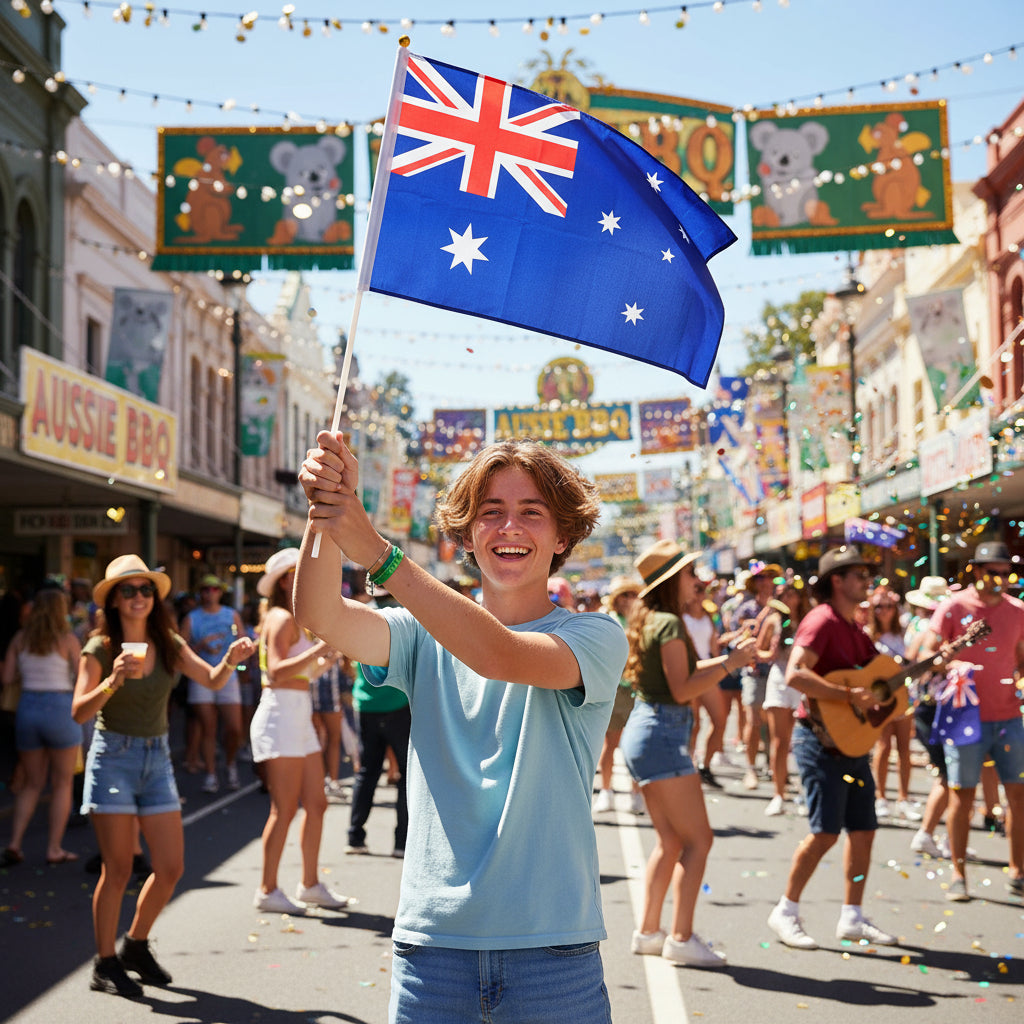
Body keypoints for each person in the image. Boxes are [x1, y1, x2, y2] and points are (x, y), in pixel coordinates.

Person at [295, 433, 628, 1024]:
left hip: (552, 952)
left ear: (563, 536)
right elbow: (320, 616)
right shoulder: (420, 631)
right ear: (466, 534)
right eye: (491, 512)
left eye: (532, 513)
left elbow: (498, 654)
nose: (509, 528)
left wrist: (378, 553)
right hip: (433, 949)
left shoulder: (596, 636)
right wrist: (325, 511)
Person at [72, 555, 255, 999]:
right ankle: (105, 962)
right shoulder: (99, 649)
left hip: (157, 759)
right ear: (114, 600)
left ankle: (135, 944)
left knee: (170, 867)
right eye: (129, 590)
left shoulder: (168, 642)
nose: (139, 597)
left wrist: (231, 659)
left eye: (146, 590)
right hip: (113, 756)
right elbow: (78, 710)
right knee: (117, 869)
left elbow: (212, 681)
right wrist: (113, 680)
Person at [620, 540, 755, 968]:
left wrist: (728, 658)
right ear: (671, 581)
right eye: (688, 573)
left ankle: (648, 932)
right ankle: (679, 937)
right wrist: (732, 663)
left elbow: (682, 675)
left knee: (671, 840)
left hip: (648, 732)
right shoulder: (670, 623)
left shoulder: (655, 619)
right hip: (662, 734)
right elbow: (683, 689)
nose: (696, 580)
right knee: (699, 840)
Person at [766, 545, 899, 950]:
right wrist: (847, 697)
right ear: (837, 581)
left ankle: (852, 917)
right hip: (819, 742)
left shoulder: (856, 628)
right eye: (859, 575)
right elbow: (796, 674)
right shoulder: (821, 621)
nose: (867, 581)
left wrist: (935, 661)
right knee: (824, 833)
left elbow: (882, 679)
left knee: (863, 832)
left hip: (852, 744)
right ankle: (785, 911)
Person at [916, 541, 1024, 902]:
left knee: (1018, 796)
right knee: (962, 795)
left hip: (1009, 716)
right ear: (976, 572)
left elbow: (1022, 661)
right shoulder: (953, 607)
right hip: (965, 719)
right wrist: (948, 662)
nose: (1001, 579)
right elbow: (926, 654)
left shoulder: (1018, 611)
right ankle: (959, 873)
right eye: (992, 572)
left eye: (1005, 571)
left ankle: (1018, 870)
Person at [250, 547, 352, 915]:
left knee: (317, 803)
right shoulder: (279, 616)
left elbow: (301, 676)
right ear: (284, 581)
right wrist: (322, 649)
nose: (307, 578)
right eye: (298, 573)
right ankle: (266, 889)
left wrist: (330, 657)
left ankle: (309, 884)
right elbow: (277, 671)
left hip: (297, 713)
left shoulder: (294, 617)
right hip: (280, 716)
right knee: (284, 809)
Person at [1, 586, 83, 866]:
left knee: (32, 784)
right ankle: (54, 849)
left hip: (28, 709)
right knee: (62, 783)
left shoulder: (20, 639)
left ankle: (14, 844)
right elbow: (83, 678)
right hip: (60, 709)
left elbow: (7, 676)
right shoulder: (68, 639)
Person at [180, 575, 245, 794]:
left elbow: (245, 644)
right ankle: (210, 773)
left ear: (220, 592)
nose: (210, 593)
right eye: (205, 589)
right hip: (201, 677)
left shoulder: (231, 614)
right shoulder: (191, 618)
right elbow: (181, 651)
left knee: (234, 728)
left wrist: (242, 666)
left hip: (228, 677)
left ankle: (229, 763)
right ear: (200, 593)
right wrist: (201, 646)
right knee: (208, 728)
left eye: (214, 589)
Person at [904, 576, 954, 859]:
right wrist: (954, 665)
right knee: (951, 775)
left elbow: (909, 657)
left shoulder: (915, 624)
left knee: (951, 774)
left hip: (926, 705)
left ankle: (946, 838)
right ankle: (927, 833)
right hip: (934, 706)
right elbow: (924, 660)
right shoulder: (930, 628)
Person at [865, 587, 922, 824]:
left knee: (904, 748)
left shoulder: (905, 633)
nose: (884, 611)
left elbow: (914, 661)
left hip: (903, 696)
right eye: (879, 606)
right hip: (879, 698)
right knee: (883, 746)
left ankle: (903, 797)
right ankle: (880, 797)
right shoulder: (868, 636)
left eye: (889, 606)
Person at [346, 661, 411, 857]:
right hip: (398, 703)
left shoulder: (360, 630)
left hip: (368, 703)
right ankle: (401, 842)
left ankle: (355, 837)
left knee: (366, 774)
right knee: (406, 775)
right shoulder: (400, 628)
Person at [758, 579, 811, 816]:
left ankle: (805, 793)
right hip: (779, 680)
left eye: (792, 594)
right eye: (784, 595)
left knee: (802, 742)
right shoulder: (772, 620)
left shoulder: (809, 621)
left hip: (802, 681)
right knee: (779, 741)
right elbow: (758, 652)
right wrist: (772, 651)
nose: (789, 599)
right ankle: (778, 794)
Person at [593, 575, 643, 814]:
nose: (630, 599)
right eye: (625, 595)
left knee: (635, 745)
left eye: (633, 594)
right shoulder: (609, 620)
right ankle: (606, 791)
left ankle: (636, 794)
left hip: (637, 689)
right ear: (617, 599)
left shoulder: (642, 621)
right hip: (614, 689)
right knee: (610, 744)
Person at [730, 561, 780, 789]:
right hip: (754, 671)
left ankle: (773, 766)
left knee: (775, 723)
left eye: (771, 577)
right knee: (753, 720)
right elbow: (733, 640)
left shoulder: (783, 608)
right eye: (763, 578)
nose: (768, 581)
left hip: (777, 672)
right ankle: (750, 770)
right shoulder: (746, 609)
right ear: (756, 583)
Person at [682, 572, 728, 789]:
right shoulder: (680, 618)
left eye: (703, 590)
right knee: (694, 725)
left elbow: (712, 649)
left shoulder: (709, 617)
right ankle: (690, 767)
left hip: (707, 673)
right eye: (697, 589)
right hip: (689, 675)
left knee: (720, 721)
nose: (700, 594)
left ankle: (705, 767)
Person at [310, 647, 355, 801]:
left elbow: (346, 664)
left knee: (333, 738)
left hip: (332, 692)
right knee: (317, 741)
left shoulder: (334, 638)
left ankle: (332, 781)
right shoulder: (309, 635)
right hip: (312, 691)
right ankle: (318, 782)